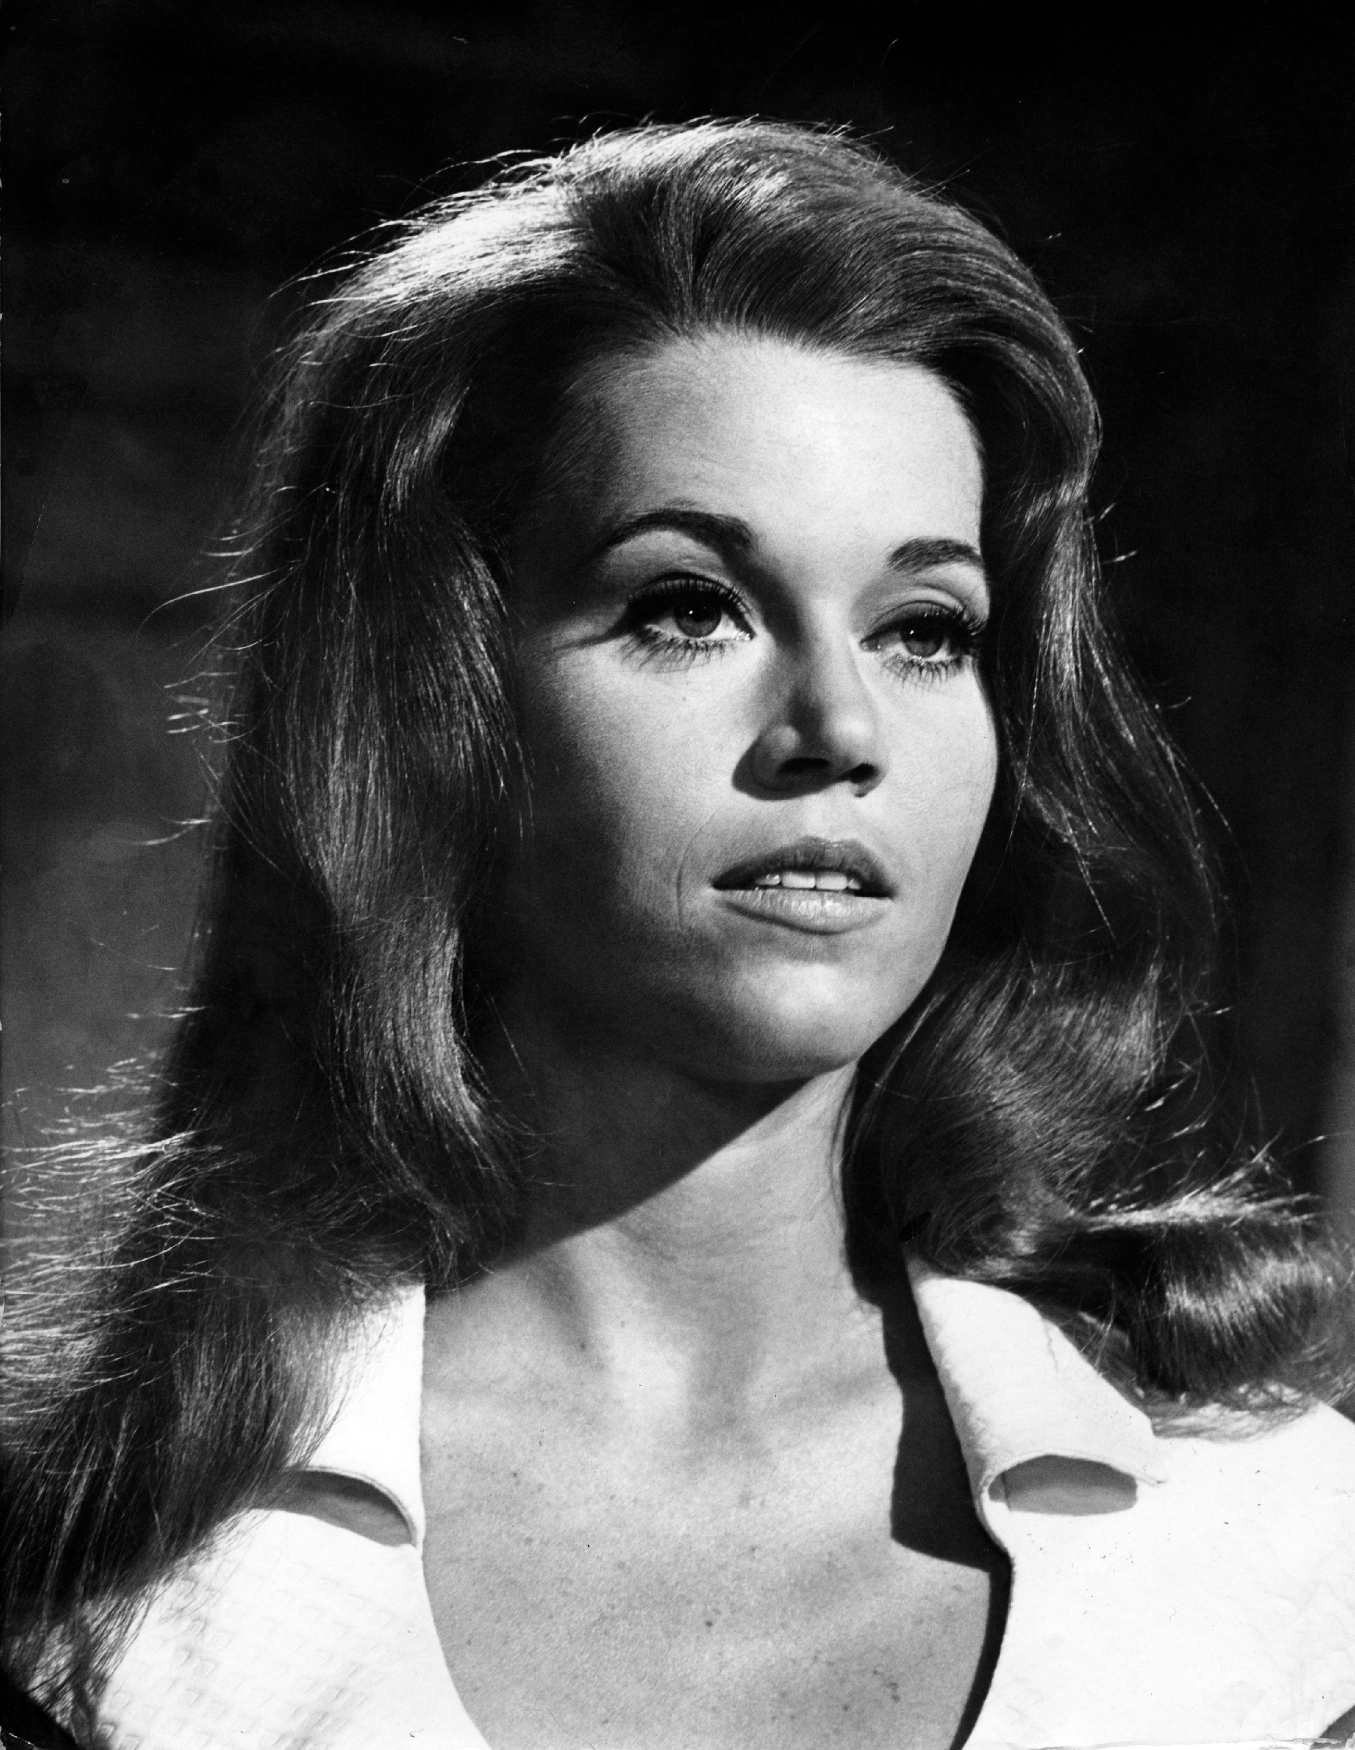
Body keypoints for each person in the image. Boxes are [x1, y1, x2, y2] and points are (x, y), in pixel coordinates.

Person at [3, 118, 1354, 1750]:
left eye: (926, 629)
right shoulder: (114, 1590)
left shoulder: (1289, 1563)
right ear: (438, 702)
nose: (838, 726)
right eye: (689, 606)